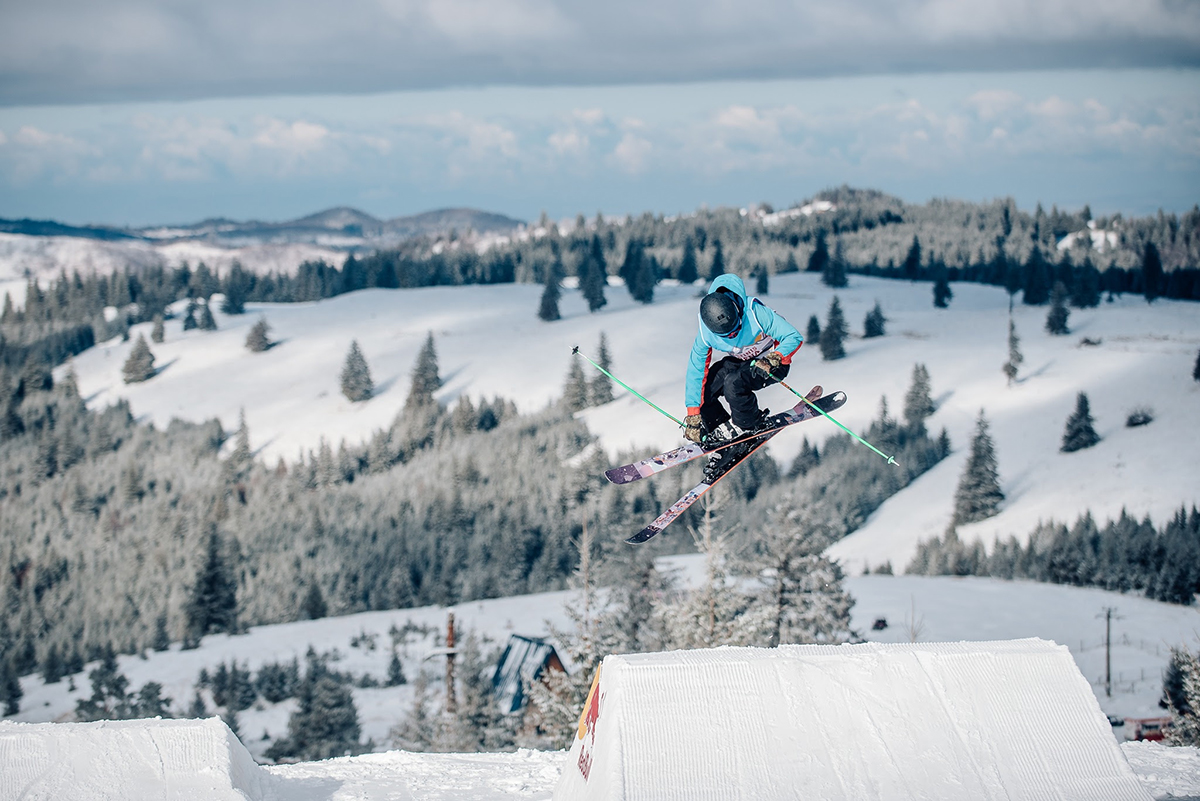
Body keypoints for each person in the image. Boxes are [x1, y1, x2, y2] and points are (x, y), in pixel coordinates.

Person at [683, 274, 803, 447]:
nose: (733, 336)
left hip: (771, 362)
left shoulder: (755, 313)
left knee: (733, 383)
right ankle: (722, 433)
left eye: (736, 329)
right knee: (706, 389)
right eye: (727, 336)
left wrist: (774, 358)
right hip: (742, 361)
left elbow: (793, 336)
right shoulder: (705, 332)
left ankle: (748, 425)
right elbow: (696, 370)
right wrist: (693, 414)